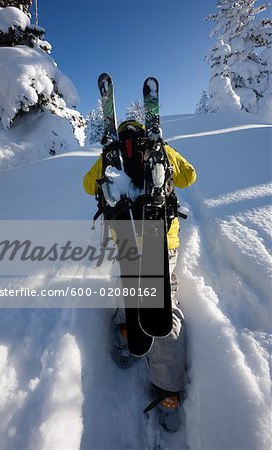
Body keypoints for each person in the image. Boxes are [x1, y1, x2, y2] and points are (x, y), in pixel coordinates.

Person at [83, 120, 196, 431]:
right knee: (162, 304)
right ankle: (168, 393)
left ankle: (126, 335)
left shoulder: (111, 157)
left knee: (129, 287)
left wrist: (106, 157)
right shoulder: (160, 151)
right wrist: (165, 152)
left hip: (127, 242)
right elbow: (189, 176)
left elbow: (86, 185)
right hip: (161, 243)